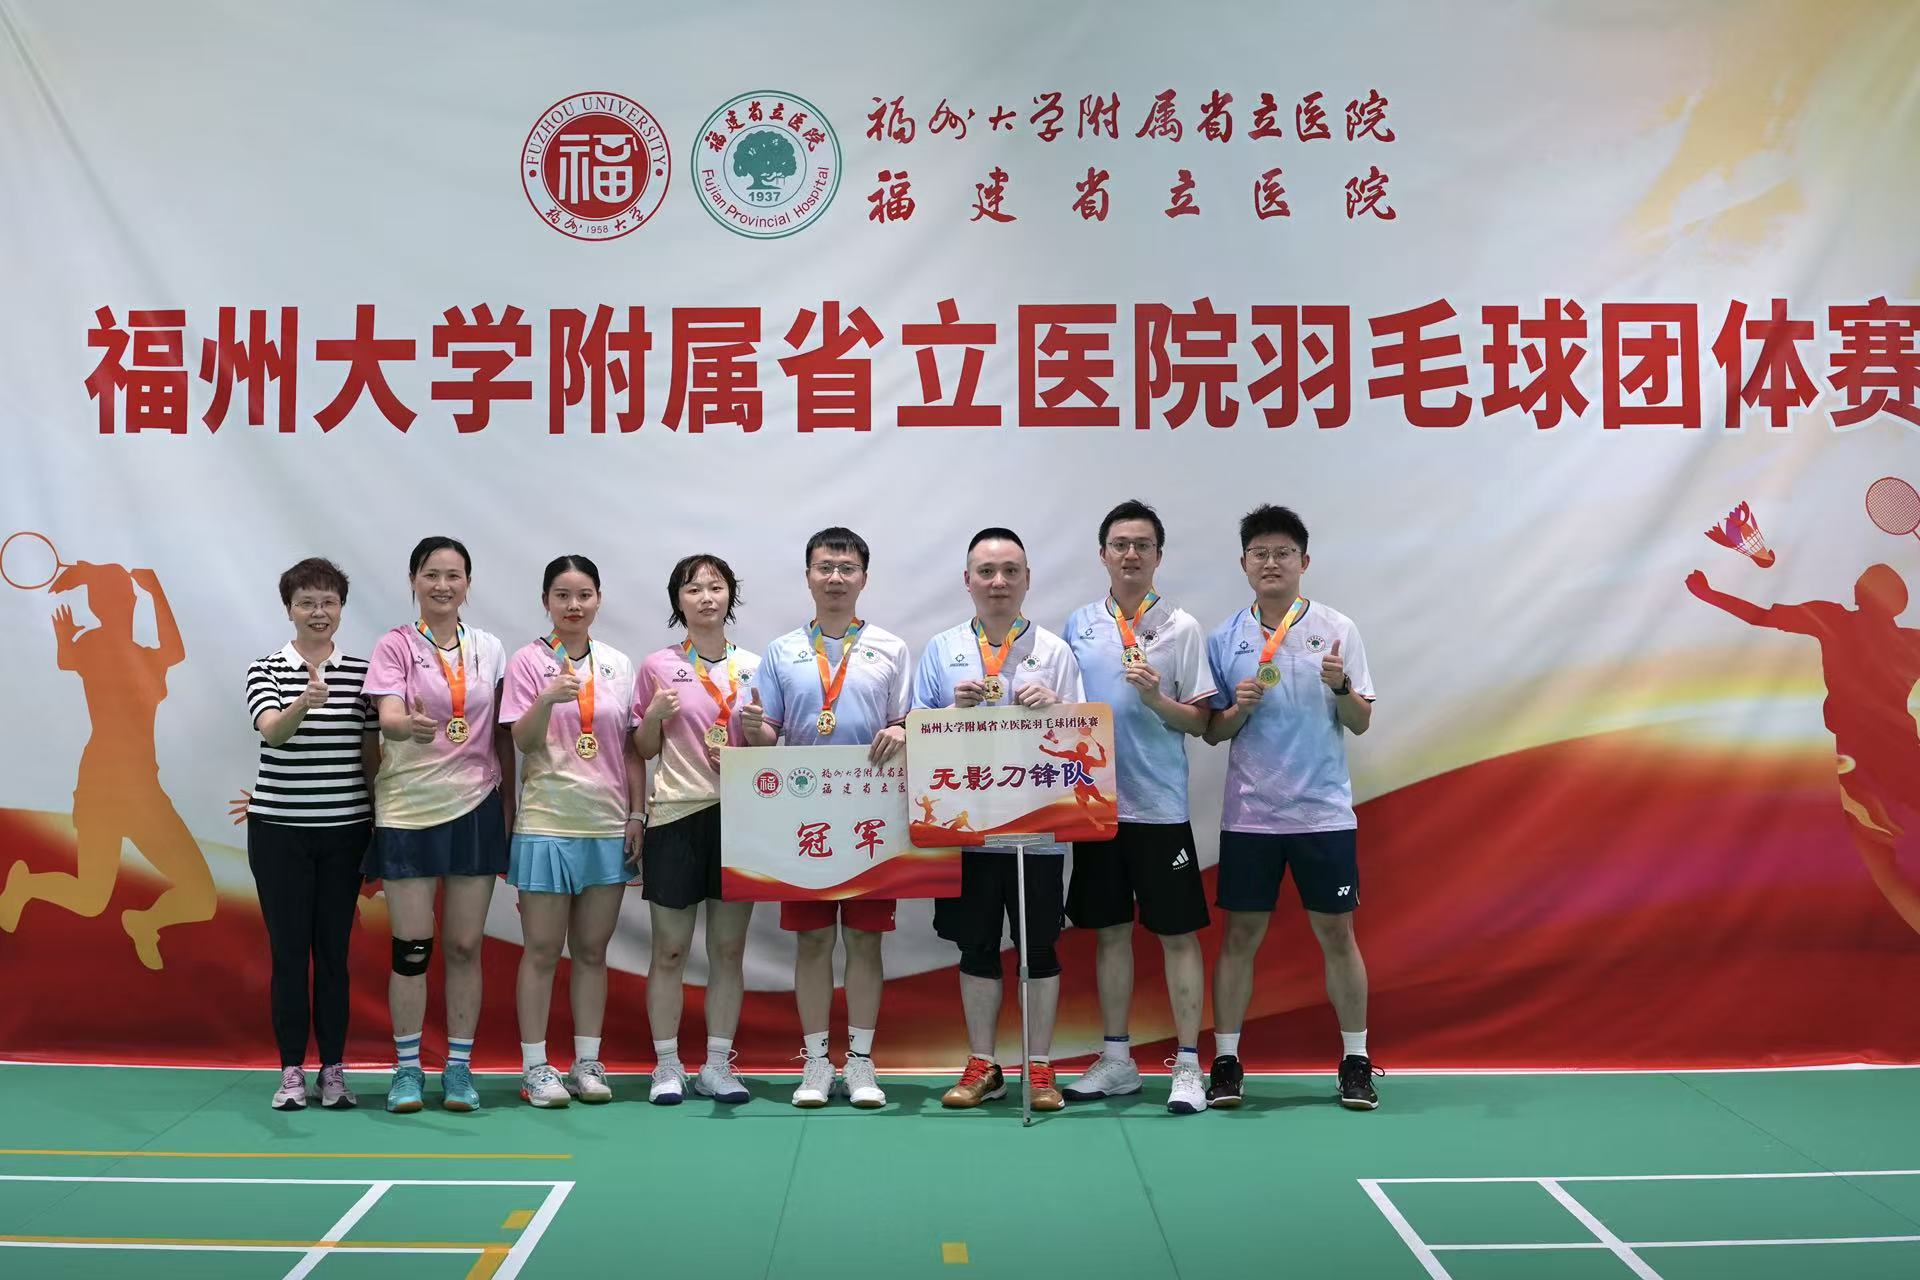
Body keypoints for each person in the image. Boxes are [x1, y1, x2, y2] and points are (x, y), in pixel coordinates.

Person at [1203, 505, 1379, 1111]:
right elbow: (1213, 732)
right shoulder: (1224, 638)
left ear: (1303, 561)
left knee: (1337, 934)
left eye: (1283, 553)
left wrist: (1340, 686)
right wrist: (1240, 708)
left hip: (1322, 813)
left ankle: (1356, 1060)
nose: (1271, 563)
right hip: (1250, 815)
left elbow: (1361, 721)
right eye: (1260, 553)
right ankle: (1226, 1062)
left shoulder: (1337, 629)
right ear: (1244, 563)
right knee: (1239, 936)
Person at [913, 527, 1085, 1112]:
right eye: (986, 571)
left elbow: (1082, 737)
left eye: (1010, 571)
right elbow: (914, 731)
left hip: (1037, 828)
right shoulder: (941, 650)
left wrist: (1057, 707)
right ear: (967, 581)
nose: (998, 582)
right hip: (965, 828)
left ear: (1027, 579)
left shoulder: (1055, 651)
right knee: (977, 946)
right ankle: (983, 1063)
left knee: (1040, 947)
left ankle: (1040, 1066)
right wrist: (949, 711)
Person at [741, 527, 911, 1109]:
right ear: (808, 576)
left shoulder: (891, 648)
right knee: (813, 943)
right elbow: (769, 736)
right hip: (805, 816)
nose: (835, 577)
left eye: (846, 568)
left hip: (872, 817)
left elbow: (908, 722)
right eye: (824, 567)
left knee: (865, 942)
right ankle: (816, 1061)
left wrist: (903, 730)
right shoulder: (782, 651)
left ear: (864, 577)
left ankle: (860, 1061)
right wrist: (753, 730)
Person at [1060, 500, 1217, 1114]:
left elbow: (1203, 722)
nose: (1130, 554)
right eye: (1120, 544)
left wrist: (1156, 700)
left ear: (1158, 556)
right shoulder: (1079, 625)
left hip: (1160, 807)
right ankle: (1118, 1060)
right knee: (1110, 935)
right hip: (1096, 808)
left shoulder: (1182, 627)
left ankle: (1188, 1066)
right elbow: (1065, 711)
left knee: (1177, 935)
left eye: (1142, 545)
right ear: (1103, 554)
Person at [0, 561, 213, 969]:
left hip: (143, 789)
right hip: (103, 786)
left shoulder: (140, 655)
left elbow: (174, 651)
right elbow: (72, 658)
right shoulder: (95, 645)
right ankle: (25, 886)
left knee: (201, 898)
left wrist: (147, 589)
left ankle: (144, 923)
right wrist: (149, 588)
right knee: (91, 899)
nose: (127, 604)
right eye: (118, 598)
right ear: (101, 607)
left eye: (128, 599)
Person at [363, 536, 512, 1114]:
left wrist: (509, 806)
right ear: (413, 581)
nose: (442, 585)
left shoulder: (490, 649)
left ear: (468, 584)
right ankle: (406, 1069)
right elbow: (388, 716)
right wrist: (407, 726)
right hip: (408, 808)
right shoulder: (395, 645)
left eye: (453, 575)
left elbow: (502, 732)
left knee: (465, 945)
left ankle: (458, 1068)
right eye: (431, 574)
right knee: (412, 948)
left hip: (475, 806)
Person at [1688, 565, 1920, 930]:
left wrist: (1709, 594)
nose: (1855, 583)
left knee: (1881, 861)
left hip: (1861, 759)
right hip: (1900, 753)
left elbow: (1761, 616)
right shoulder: (1911, 642)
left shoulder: (1834, 620)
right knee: (1881, 856)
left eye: (1863, 579)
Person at [500, 555, 641, 1108]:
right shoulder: (528, 661)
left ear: (598, 600)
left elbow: (629, 748)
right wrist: (547, 699)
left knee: (591, 951)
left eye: (584, 595)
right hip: (546, 822)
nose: (573, 605)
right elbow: (523, 741)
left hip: (605, 824)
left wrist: (636, 815)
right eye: (562, 595)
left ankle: (587, 1063)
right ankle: (536, 1068)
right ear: (546, 603)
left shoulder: (618, 664)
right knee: (541, 950)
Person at [240, 558, 380, 1111]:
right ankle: (291, 1071)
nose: (318, 613)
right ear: (289, 610)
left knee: (334, 954)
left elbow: (370, 756)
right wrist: (303, 701)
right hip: (279, 832)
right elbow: (273, 733)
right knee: (289, 954)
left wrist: (380, 820)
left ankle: (334, 1071)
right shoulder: (266, 669)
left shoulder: (364, 674)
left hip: (346, 831)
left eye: (328, 602)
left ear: (341, 608)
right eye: (306, 603)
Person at [633, 554, 760, 1105]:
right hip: (675, 815)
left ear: (730, 595)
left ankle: (716, 1066)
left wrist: (756, 734)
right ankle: (666, 1065)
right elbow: (643, 749)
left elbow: (769, 751)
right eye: (693, 589)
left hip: (740, 818)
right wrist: (653, 716)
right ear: (677, 601)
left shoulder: (755, 666)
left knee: (728, 950)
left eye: (716, 587)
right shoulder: (657, 666)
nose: (706, 597)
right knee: (669, 950)